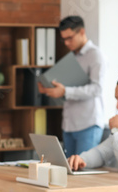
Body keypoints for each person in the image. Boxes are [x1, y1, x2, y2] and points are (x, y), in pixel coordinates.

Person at [38, 15, 106, 156]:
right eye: (64, 39)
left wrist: (65, 91)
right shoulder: (73, 57)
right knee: (68, 172)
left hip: (88, 124)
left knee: (83, 171)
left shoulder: (95, 55)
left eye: (70, 38)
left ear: (82, 32)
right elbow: (68, 87)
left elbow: (97, 88)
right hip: (69, 124)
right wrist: (49, 89)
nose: (67, 43)